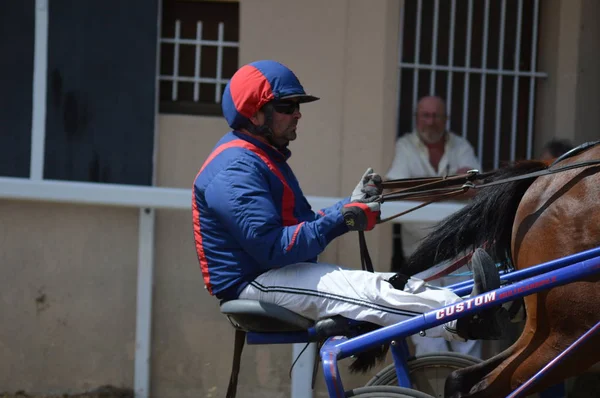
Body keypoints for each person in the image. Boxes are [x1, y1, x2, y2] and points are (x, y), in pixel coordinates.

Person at [192, 60, 504, 344]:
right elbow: (274, 248)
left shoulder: (260, 157)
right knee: (366, 292)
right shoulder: (235, 168)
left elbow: (299, 229)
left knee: (386, 284)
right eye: (287, 106)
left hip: (275, 272)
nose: (298, 113)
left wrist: (350, 205)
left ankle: (477, 304)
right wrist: (342, 217)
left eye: (297, 105)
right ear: (256, 114)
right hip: (255, 281)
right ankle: (463, 315)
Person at [386, 96, 483, 357]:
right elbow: (398, 189)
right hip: (421, 254)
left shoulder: (461, 145)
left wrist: (423, 187)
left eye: (436, 116)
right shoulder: (405, 145)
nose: (430, 121)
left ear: (445, 119)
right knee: (427, 330)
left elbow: (474, 188)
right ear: (417, 118)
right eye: (425, 115)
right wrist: (452, 185)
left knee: (467, 322)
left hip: (459, 253)